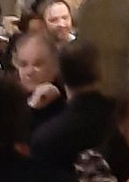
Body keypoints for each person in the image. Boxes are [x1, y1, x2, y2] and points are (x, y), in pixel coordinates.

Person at [31, 41, 116, 170]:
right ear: (99, 73)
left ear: (60, 76)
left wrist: (32, 109)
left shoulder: (45, 136)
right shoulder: (121, 116)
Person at [10, 28, 66, 130]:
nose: (29, 72)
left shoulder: (65, 107)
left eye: (38, 64)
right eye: (23, 64)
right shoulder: (8, 101)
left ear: (55, 66)